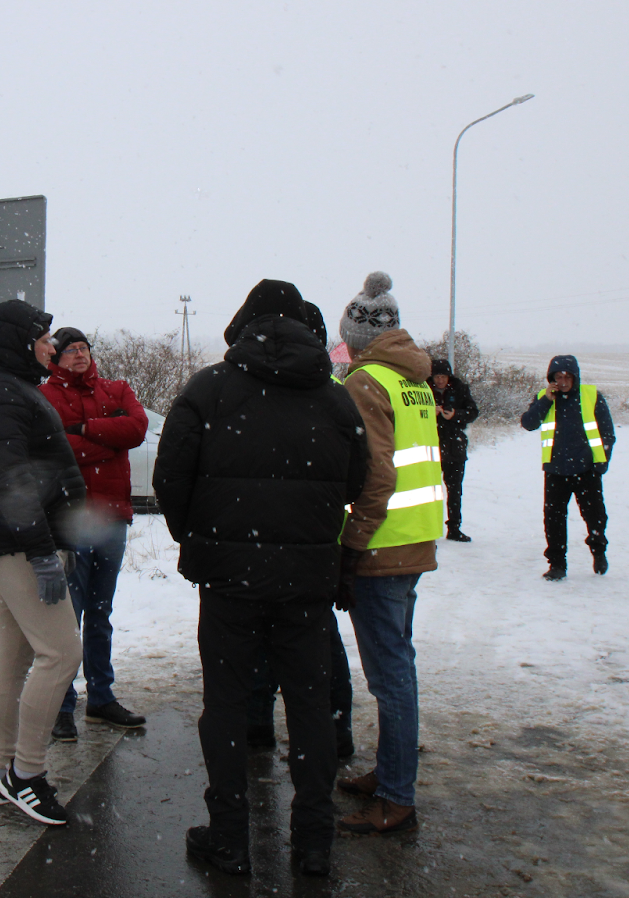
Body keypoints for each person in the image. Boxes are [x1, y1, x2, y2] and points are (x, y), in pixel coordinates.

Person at [154, 279, 370, 879]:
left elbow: (170, 477)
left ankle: (229, 840)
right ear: (304, 327)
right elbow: (358, 480)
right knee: (310, 708)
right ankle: (314, 843)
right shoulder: (333, 399)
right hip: (306, 583)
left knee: (223, 707)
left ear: (243, 322)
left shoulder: (210, 389)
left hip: (228, 584)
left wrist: (199, 537)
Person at [0, 299, 87, 826]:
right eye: (43, 337)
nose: (51, 346)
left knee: (13, 659)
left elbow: (44, 468)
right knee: (61, 653)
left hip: (19, 540)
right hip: (16, 544)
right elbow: (11, 478)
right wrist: (41, 553)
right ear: (18, 340)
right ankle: (26, 775)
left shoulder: (13, 386)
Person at [334, 271, 442, 838]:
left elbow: (377, 474)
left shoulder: (366, 381)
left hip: (380, 547)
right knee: (398, 666)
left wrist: (350, 550)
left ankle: (397, 797)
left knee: (390, 676)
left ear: (356, 333)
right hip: (413, 539)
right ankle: (391, 773)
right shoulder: (413, 378)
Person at [246, 301, 355, 762]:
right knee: (318, 653)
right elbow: (359, 477)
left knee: (259, 649)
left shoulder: (239, 391)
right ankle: (329, 738)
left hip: (254, 552)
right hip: (313, 551)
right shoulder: (332, 396)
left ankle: (255, 732)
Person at [39, 327, 149, 740]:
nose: (79, 355)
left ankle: (101, 699)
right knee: (69, 617)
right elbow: (54, 447)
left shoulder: (117, 388)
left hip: (112, 517)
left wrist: (82, 429)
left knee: (101, 614)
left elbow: (136, 430)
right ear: (55, 359)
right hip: (70, 522)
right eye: (69, 351)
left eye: (83, 348)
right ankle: (61, 705)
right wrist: (107, 435)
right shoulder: (46, 396)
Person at [519, 354, 615, 580]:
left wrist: (602, 462)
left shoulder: (591, 396)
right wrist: (546, 401)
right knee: (553, 520)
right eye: (557, 377)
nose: (562, 381)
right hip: (555, 471)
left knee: (595, 517)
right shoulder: (545, 397)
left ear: (575, 378)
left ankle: (598, 550)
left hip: (586, 470)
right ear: (550, 378)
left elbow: (607, 432)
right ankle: (557, 564)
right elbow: (528, 423)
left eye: (567, 377)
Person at [429, 358, 481, 542]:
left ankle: (454, 528)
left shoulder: (460, 389)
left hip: (455, 446)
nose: (440, 380)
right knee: (430, 491)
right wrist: (429, 412)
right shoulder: (424, 389)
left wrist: (455, 415)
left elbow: (473, 412)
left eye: (443, 376)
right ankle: (429, 529)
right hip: (431, 447)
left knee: (455, 490)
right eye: (437, 376)